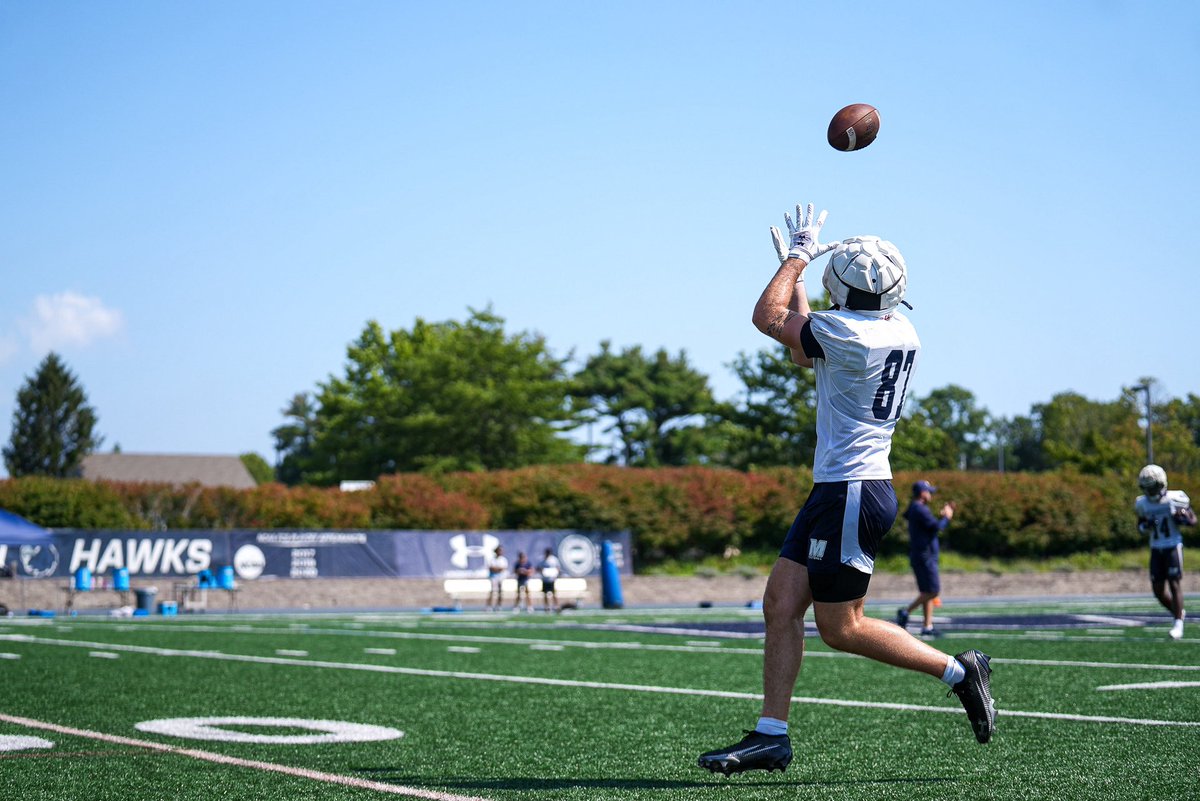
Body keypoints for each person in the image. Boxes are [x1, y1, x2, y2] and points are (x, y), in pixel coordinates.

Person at [697, 203, 996, 777]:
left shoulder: (845, 332)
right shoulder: (898, 329)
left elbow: (767, 318)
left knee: (843, 628)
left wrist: (797, 259)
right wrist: (801, 282)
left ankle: (960, 672)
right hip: (838, 488)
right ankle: (771, 736)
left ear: (840, 290)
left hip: (852, 490)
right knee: (780, 605)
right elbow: (801, 346)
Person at [1135, 464, 1195, 640]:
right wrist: (1146, 526)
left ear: (1161, 484)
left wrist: (1182, 517)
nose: (1151, 491)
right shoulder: (1142, 503)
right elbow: (1140, 526)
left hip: (1172, 545)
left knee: (1174, 584)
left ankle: (1178, 624)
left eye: (1153, 487)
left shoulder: (1176, 498)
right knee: (1158, 591)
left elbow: (1193, 520)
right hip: (1156, 547)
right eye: (1148, 488)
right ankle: (1179, 613)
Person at [897, 480, 956, 637]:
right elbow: (937, 527)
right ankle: (905, 611)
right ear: (923, 493)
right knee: (933, 591)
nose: (931, 494)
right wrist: (947, 517)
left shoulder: (915, 507)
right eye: (929, 491)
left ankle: (927, 626)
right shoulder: (920, 508)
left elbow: (928, 526)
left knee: (926, 591)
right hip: (925, 556)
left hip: (921, 554)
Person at [537, 547, 562, 612]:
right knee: (545, 593)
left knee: (554, 593)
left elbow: (558, 568)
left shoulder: (554, 559)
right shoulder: (542, 559)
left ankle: (556, 606)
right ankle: (547, 606)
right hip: (545, 579)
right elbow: (538, 568)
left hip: (552, 579)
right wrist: (542, 571)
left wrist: (555, 573)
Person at [485, 545, 508, 612]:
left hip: (501, 577)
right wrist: (497, 569)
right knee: (492, 591)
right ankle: (489, 606)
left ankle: (499, 605)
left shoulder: (503, 559)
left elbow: (503, 568)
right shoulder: (492, 559)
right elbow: (491, 568)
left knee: (500, 592)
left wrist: (496, 569)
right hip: (493, 577)